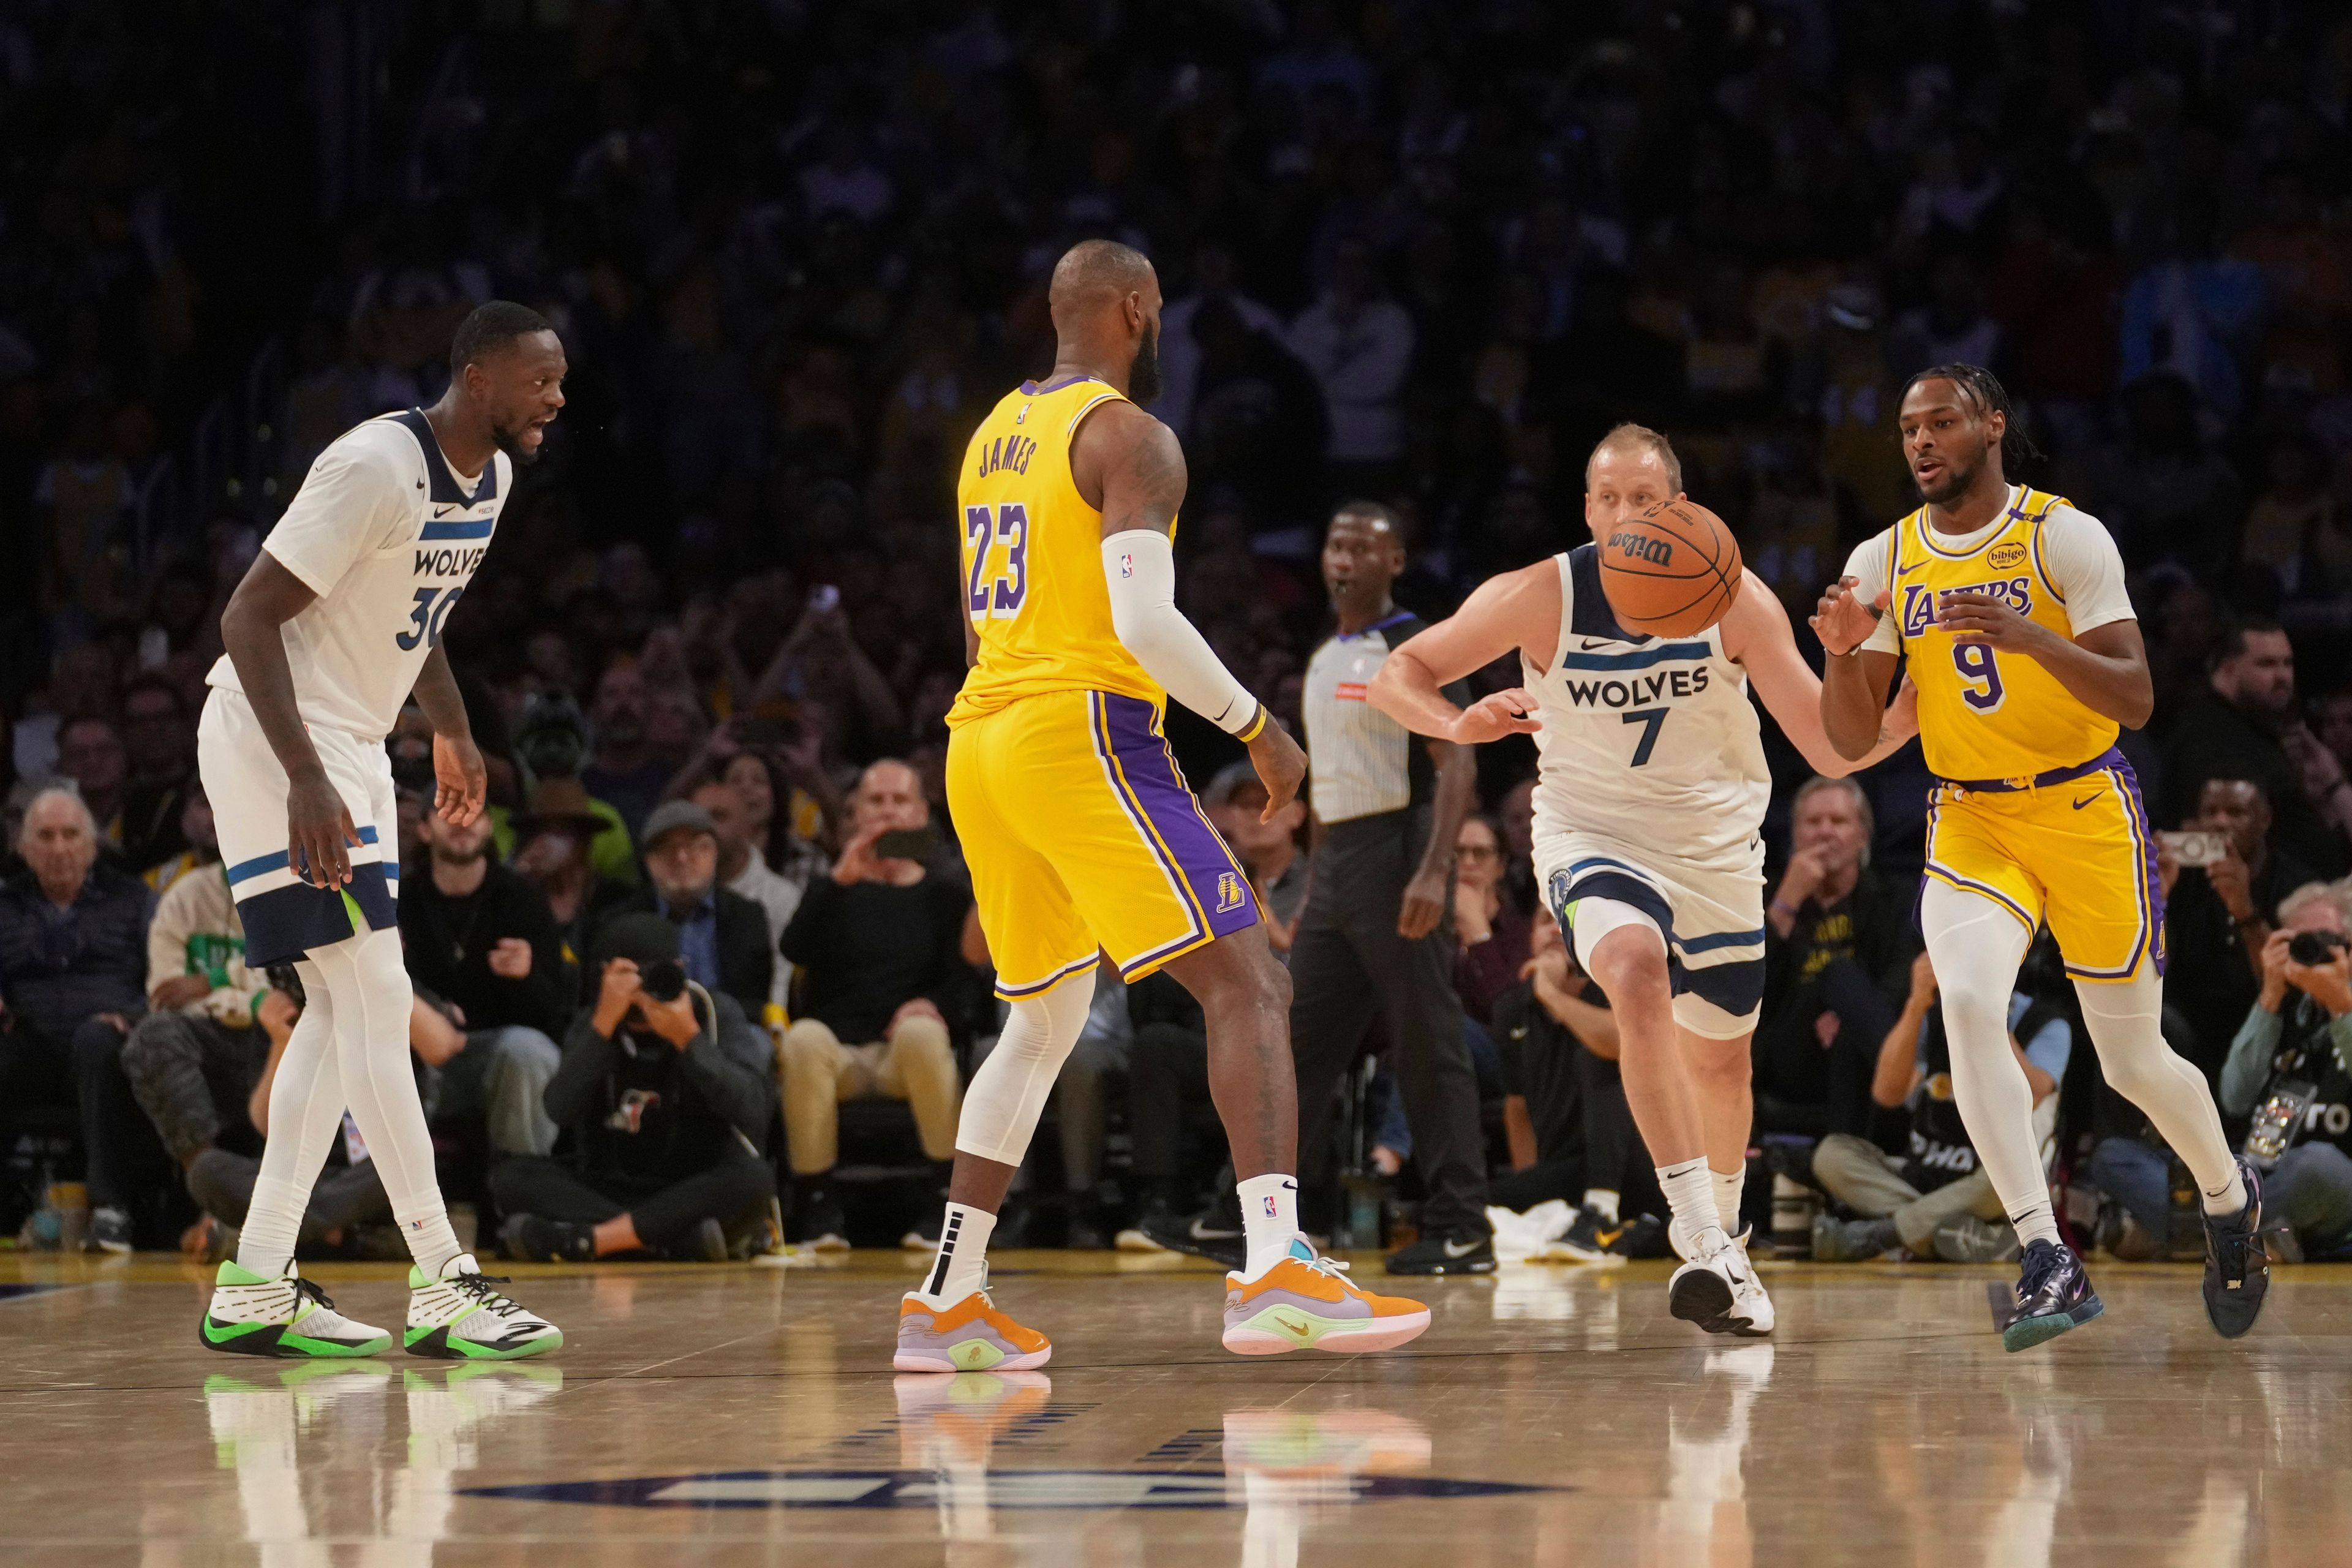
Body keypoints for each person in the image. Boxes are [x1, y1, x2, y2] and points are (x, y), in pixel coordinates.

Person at [896, 239, 1427, 1373]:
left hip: (981, 736)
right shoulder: (1133, 436)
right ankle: (1277, 1269)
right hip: (1081, 725)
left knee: (1040, 1020)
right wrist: (1258, 724)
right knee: (1249, 978)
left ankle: (949, 1297)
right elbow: (1143, 626)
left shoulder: (992, 433)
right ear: (1140, 310)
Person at [1370, 423, 1916, 1337]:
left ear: (1679, 506)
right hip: (1591, 833)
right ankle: (1699, 1237)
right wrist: (1457, 725)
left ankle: (1729, 1251)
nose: (1627, 514)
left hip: (1714, 850)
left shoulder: (1734, 596)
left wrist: (1902, 703)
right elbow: (1401, 674)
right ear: (1588, 511)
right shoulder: (1541, 595)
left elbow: (1829, 744)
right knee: (1631, 968)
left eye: (1645, 499)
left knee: (1721, 1058)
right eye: (1610, 499)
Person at [1813, 361, 2267, 1351]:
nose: (1921, 441)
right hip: (1971, 818)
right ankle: (2042, 1251)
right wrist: (1845, 653)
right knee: (1968, 1003)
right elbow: (1850, 743)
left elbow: (2137, 699)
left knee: (2134, 1059)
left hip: (2084, 806)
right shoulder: (1886, 558)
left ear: (1993, 428)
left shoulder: (2063, 536)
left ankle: (2233, 1202)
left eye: (1941, 423)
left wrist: (2031, 637)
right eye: (1906, 429)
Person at [192, 300, 562, 1360]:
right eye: (542, 382)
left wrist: (450, 731)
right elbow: (247, 616)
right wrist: (306, 775)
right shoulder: (371, 465)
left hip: (354, 746)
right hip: (280, 741)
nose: (558, 401)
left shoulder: (487, 482)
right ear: (481, 379)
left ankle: (259, 1280)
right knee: (378, 993)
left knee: (337, 1008)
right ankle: (443, 1276)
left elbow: (418, 617)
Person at [1273, 502, 1491, 1275]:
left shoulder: (1413, 646)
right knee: (1289, 1045)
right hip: (1336, 869)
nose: (1343, 560)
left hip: (1400, 854)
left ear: (1395, 561)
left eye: (1363, 549)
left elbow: (1458, 760)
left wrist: (1437, 867)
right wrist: (1309, 894)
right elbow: (1329, 788)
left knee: (1429, 1042)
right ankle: (1259, 1224)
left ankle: (1463, 1226)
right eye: (1335, 545)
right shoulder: (1325, 654)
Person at [494, 914, 775, 1262]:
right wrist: (602, 1028)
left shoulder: (714, 1013)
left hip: (691, 1185)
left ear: (679, 971)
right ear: (605, 977)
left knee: (755, 1179)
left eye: (654, 976)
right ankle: (668, 1241)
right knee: (511, 1177)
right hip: (611, 1185)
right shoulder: (595, 1020)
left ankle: (589, 1239)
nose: (641, 993)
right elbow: (558, 1109)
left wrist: (689, 1039)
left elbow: (754, 1111)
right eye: (628, 978)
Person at [778, 760, 970, 1251]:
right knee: (801, 1038)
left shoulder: (944, 895)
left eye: (899, 800)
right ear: (856, 812)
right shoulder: (834, 889)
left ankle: (944, 1200)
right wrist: (840, 879)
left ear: (922, 814)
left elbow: (967, 981)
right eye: (876, 801)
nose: (887, 811)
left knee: (925, 1032)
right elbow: (794, 950)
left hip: (902, 1056)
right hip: (839, 1054)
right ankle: (819, 1206)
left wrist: (931, 1002)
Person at [1811, 947, 2071, 1264]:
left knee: (2012, 1178)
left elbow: (2033, 1092)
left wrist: (1988, 1015)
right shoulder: (1937, 1014)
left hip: (1992, 1184)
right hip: (1927, 1172)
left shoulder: (2046, 1022)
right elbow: (1886, 1094)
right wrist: (1917, 1003)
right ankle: (1954, 1233)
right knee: (1831, 1155)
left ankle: (1881, 1236)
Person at [0, 786, 154, 1248]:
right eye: (45, 836)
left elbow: (165, 977)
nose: (59, 847)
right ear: (24, 849)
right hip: (30, 1041)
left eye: (70, 835)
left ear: (92, 844)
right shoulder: (4, 904)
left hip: (107, 1045)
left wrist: (134, 1016)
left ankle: (111, 1208)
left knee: (95, 1041)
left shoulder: (134, 898)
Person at [393, 805, 568, 1157]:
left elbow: (559, 1018)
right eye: (447, 812)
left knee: (528, 1050)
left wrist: (527, 978)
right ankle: (383, 1193)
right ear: (425, 829)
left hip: (496, 1059)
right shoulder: (399, 901)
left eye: (473, 812)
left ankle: (520, 1191)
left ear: (489, 826)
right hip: (417, 1057)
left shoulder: (523, 900)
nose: (462, 822)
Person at [1753, 777, 1913, 1139]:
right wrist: (1786, 902)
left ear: (1863, 837)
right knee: (1836, 972)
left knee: (1844, 990)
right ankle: (1913, 1084)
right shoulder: (1763, 897)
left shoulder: (1893, 901)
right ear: (1795, 835)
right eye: (1813, 822)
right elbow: (1748, 992)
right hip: (1788, 1050)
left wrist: (1852, 1016)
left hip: (1859, 1050)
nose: (1825, 832)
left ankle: (1842, 1166)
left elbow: (1900, 981)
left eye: (1839, 822)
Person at [2218, 882, 2352, 1261]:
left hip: (2339, 1183)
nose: (2310, 952)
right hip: (2268, 1173)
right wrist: (2270, 997)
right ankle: (2248, 1232)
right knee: (2119, 1158)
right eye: (2298, 942)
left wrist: (2341, 1005)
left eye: (2324, 940)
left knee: (2317, 1164)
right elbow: (2234, 1095)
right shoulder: (2283, 1010)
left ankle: (2208, 1231)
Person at [2166, 619, 2345, 878]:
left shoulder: (2253, 731)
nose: (2283, 676)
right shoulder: (2211, 737)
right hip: (2248, 905)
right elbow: (2196, 842)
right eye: (2267, 664)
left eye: (2288, 663)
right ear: (2228, 669)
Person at [2162, 778, 2315, 1072]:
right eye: (2210, 812)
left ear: (2265, 819)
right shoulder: (2179, 877)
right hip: (2189, 1030)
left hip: (2266, 1026)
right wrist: (2154, 903)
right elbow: (2157, 970)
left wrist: (2244, 911)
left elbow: (2294, 989)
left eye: (2235, 812)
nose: (2221, 823)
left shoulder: (2297, 887)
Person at [603, 799, 774, 1017]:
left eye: (695, 845)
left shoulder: (747, 916)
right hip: (648, 1028)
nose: (682, 858)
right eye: (668, 849)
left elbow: (755, 1001)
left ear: (713, 852)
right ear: (649, 862)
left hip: (727, 1027)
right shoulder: (622, 922)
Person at [687, 774, 802, 1019]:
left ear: (747, 827)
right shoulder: (674, 892)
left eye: (719, 816)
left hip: (754, 1025)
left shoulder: (782, 898)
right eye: (698, 820)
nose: (707, 829)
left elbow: (782, 982)